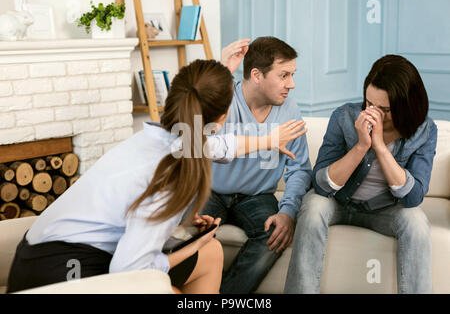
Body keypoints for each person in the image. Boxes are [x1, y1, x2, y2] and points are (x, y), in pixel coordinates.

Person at [6, 59, 307, 294]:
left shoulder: (161, 136)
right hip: (57, 270)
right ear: (223, 115)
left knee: (212, 252)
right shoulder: (170, 175)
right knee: (179, 275)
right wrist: (191, 245)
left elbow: (218, 145)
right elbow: (130, 271)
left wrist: (267, 140)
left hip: (66, 254)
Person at [285, 54, 437, 294]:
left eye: (384, 109)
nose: (374, 113)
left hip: (385, 210)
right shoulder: (344, 117)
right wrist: (361, 147)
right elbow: (322, 185)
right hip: (339, 203)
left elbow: (413, 197)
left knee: (416, 222)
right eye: (369, 104)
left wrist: (379, 147)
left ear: (405, 106)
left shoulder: (424, 130)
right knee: (313, 205)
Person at [201, 37, 312, 294]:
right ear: (257, 75)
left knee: (274, 236)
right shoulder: (222, 98)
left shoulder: (289, 109)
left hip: (257, 197)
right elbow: (192, 130)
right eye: (284, 75)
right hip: (212, 191)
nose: (291, 85)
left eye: (292, 75)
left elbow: (300, 168)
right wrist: (219, 67)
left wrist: (288, 212)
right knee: (191, 235)